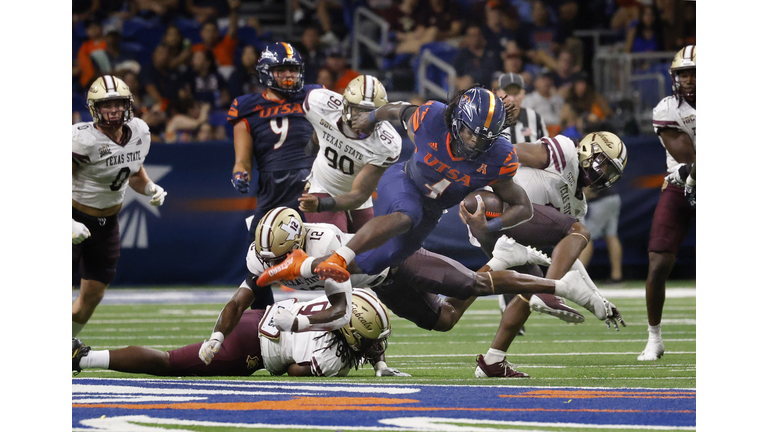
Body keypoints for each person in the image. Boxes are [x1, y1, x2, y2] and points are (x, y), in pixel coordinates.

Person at [264, 86, 534, 284]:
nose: (475, 142)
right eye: (469, 132)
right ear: (455, 121)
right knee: (406, 215)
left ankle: (301, 266)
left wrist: (490, 226)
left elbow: (523, 207)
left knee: (374, 263)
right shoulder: (431, 119)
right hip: (403, 180)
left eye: (483, 138)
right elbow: (398, 108)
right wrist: (370, 119)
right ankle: (340, 255)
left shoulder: (499, 156)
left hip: (432, 211)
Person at [469, 131, 629, 377]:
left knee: (528, 289)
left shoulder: (579, 205)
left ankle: (493, 360)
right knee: (576, 234)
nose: (605, 176)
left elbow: (567, 255)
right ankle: (547, 291)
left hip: (509, 231)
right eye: (604, 166)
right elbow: (510, 151)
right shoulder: (564, 152)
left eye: (611, 173)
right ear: (589, 151)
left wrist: (597, 296)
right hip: (493, 205)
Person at [73, 289, 408, 377]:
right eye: (371, 339)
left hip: (257, 319)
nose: (376, 345)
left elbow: (360, 329)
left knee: (171, 360)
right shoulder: (332, 358)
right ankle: (84, 359)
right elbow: (294, 370)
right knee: (170, 363)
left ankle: (84, 356)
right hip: (252, 348)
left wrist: (377, 360)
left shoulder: (338, 303)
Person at [72, 75, 168, 338]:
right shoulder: (83, 139)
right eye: (106, 105)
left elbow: (133, 172)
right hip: (74, 215)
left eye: (118, 103)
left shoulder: (139, 131)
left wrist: (149, 186)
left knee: (91, 299)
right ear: (94, 108)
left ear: (129, 104)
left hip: (107, 224)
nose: (113, 110)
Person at [227, 42, 322, 241]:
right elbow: (243, 160)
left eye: (293, 69)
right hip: (274, 186)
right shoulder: (246, 107)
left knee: (318, 246)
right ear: (266, 72)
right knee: (261, 251)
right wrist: (240, 175)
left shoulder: (314, 95)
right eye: (281, 70)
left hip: (313, 180)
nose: (289, 75)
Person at [639, 45, 695, 361]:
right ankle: (654, 339)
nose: (687, 80)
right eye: (682, 74)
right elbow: (688, 159)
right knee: (658, 262)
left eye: (693, 73)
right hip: (681, 184)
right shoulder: (667, 109)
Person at [299, 75, 402, 233]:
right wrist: (311, 149)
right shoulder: (321, 104)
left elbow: (359, 195)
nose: (363, 118)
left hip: (358, 198)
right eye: (359, 111)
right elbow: (319, 124)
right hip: (322, 186)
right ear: (345, 105)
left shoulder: (385, 143)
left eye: (370, 113)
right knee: (333, 245)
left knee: (367, 253)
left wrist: (321, 205)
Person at [579, 186, 624, 284]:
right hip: (612, 197)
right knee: (611, 235)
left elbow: (586, 190)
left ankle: (578, 276)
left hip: (600, 200)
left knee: (586, 236)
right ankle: (616, 276)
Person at [454, 25, 503, 91]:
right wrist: (461, 82)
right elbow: (451, 76)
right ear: (467, 38)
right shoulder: (462, 55)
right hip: (470, 90)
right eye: (471, 36)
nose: (475, 39)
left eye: (477, 35)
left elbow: (499, 70)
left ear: (481, 36)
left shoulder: (491, 52)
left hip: (490, 87)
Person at [522, 71, 565, 137]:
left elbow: (564, 118)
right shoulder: (528, 99)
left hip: (559, 131)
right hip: (539, 131)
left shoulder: (558, 99)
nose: (546, 82)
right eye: (543, 80)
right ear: (536, 82)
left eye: (548, 80)